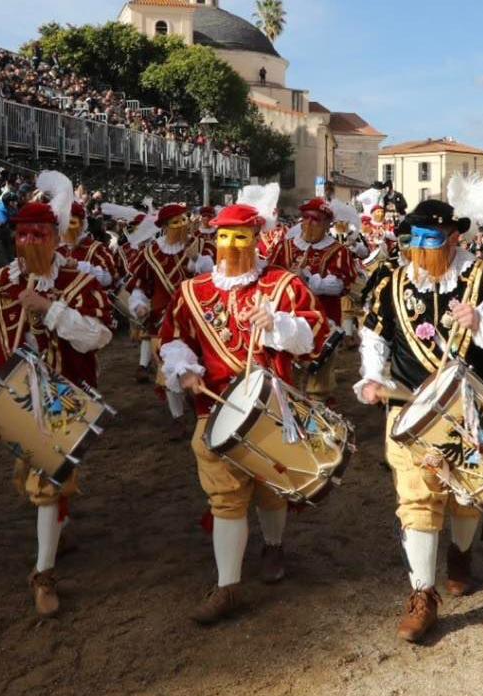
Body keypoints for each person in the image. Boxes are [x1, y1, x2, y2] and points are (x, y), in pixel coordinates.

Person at [355, 199, 483, 643]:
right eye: (414, 240)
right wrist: (373, 376)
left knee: (467, 496)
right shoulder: (391, 278)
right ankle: (422, 595)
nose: (420, 250)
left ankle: (460, 553)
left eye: (430, 240)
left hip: (470, 408)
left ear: (455, 238)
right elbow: (374, 334)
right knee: (416, 498)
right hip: (410, 409)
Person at [0, 173, 113, 617]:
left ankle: (43, 574)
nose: (29, 241)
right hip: (17, 398)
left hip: (67, 398)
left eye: (39, 234)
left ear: (56, 237)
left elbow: (98, 336)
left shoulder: (79, 282)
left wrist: (50, 309)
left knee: (47, 481)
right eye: (22, 234)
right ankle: (59, 521)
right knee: (32, 479)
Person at [158, 202, 329, 625]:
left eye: (240, 237)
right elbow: (174, 338)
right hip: (214, 407)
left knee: (271, 487)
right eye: (223, 236)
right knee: (225, 496)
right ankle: (227, 586)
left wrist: (276, 324)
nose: (231, 245)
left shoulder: (282, 285)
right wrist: (183, 369)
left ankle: (273, 545)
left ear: (256, 239)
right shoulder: (192, 291)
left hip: (273, 404)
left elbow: (315, 337)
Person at [266, 198, 357, 401]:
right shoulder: (285, 246)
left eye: (315, 219)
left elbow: (338, 285)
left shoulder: (338, 251)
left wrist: (307, 279)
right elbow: (269, 275)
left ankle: (318, 411)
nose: (308, 223)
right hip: (285, 319)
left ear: (327, 224)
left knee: (319, 378)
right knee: (286, 373)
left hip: (323, 321)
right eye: (305, 218)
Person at [127, 203, 212, 422]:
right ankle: (178, 417)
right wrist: (139, 304)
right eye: (176, 222)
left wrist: (196, 259)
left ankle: (203, 408)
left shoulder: (199, 245)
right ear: (165, 226)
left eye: (184, 219)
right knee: (168, 369)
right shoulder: (150, 253)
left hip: (195, 316)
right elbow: (140, 285)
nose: (182, 225)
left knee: (201, 364)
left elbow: (213, 276)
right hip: (161, 321)